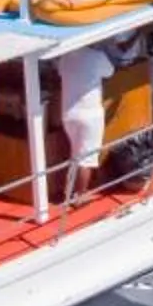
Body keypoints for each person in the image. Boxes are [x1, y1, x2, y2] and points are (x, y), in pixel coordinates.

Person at [53, 42, 113, 204]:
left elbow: (60, 72)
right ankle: (80, 196)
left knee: (75, 154)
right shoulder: (96, 57)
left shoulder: (65, 57)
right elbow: (110, 71)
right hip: (90, 114)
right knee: (87, 159)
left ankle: (68, 192)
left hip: (69, 113)